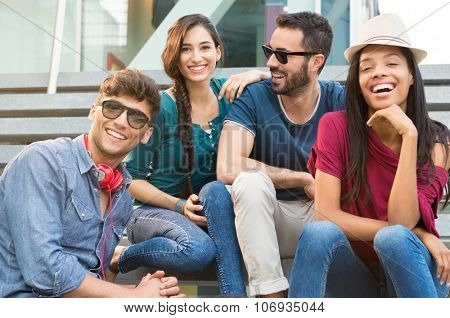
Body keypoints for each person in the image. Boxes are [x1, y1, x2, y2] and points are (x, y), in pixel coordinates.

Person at [289, 13, 450, 298]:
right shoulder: (335, 126)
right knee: (317, 233)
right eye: (367, 67)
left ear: (411, 75)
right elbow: (326, 216)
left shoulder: (436, 142)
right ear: (358, 80)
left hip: (413, 268)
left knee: (395, 239)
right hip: (354, 272)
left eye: (391, 63)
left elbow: (401, 225)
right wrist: (421, 233)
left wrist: (409, 136)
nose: (378, 72)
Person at [111, 14, 269, 297]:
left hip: (212, 211)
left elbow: (286, 77)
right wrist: (178, 204)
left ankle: (233, 300)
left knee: (215, 189)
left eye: (205, 47)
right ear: (175, 55)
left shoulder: (230, 94)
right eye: (186, 48)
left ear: (218, 51)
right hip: (152, 214)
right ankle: (122, 256)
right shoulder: (162, 108)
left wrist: (256, 74)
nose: (197, 57)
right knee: (198, 250)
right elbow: (129, 180)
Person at [0, 69, 182, 298]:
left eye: (136, 118)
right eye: (112, 108)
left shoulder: (122, 196)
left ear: (147, 135)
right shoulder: (43, 162)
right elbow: (45, 273)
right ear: (93, 112)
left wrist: (150, 293)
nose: (121, 122)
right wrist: (134, 297)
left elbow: (92, 281)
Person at [215, 11, 345, 297]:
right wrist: (302, 178)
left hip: (325, 216)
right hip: (269, 220)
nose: (271, 62)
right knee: (248, 181)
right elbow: (227, 165)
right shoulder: (254, 96)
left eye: (283, 55)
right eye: (270, 52)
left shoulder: (340, 100)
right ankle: (271, 299)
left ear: (316, 62)